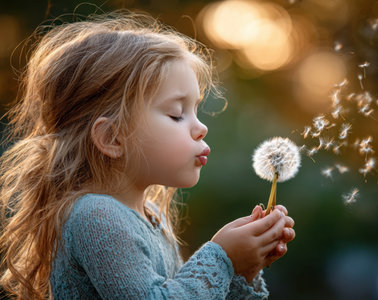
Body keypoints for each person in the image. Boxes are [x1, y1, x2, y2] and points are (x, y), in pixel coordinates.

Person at [0, 11, 295, 299]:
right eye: (177, 114)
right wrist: (222, 258)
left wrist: (243, 268)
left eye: (196, 111)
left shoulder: (151, 217)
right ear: (112, 138)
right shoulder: (96, 216)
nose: (201, 127)